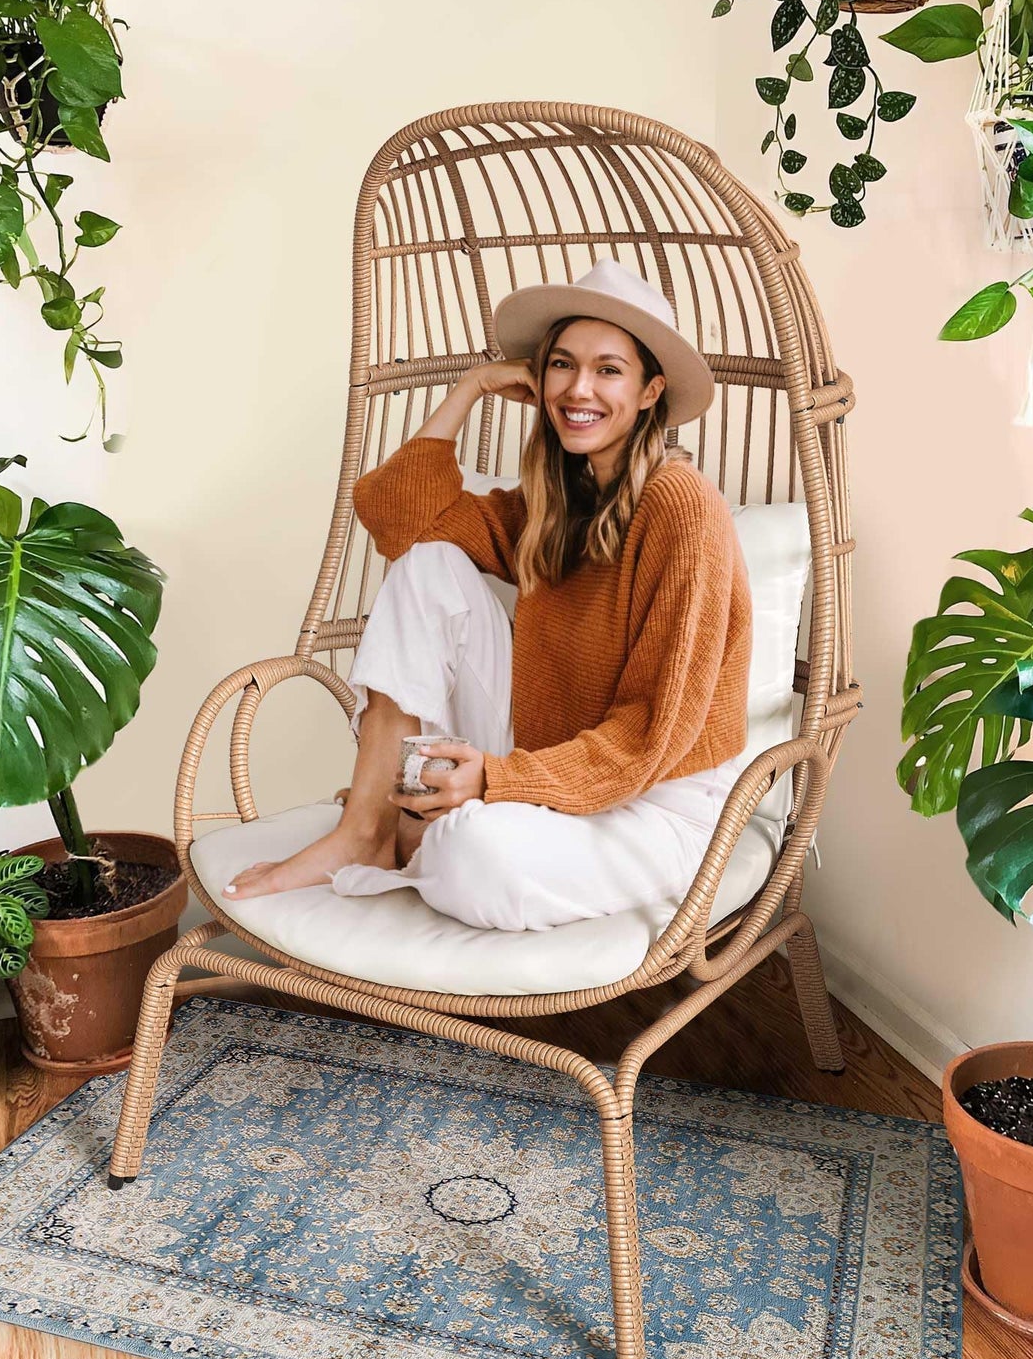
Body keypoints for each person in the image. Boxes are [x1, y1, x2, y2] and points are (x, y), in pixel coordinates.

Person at [223, 258, 753, 931]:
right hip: (552, 759)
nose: (578, 388)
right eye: (561, 364)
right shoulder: (556, 503)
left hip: (653, 800)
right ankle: (366, 830)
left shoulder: (681, 504)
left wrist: (496, 782)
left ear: (651, 392)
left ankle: (424, 831)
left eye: (608, 370)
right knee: (428, 563)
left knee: (472, 853)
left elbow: (652, 734)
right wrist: (470, 387)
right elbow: (397, 518)